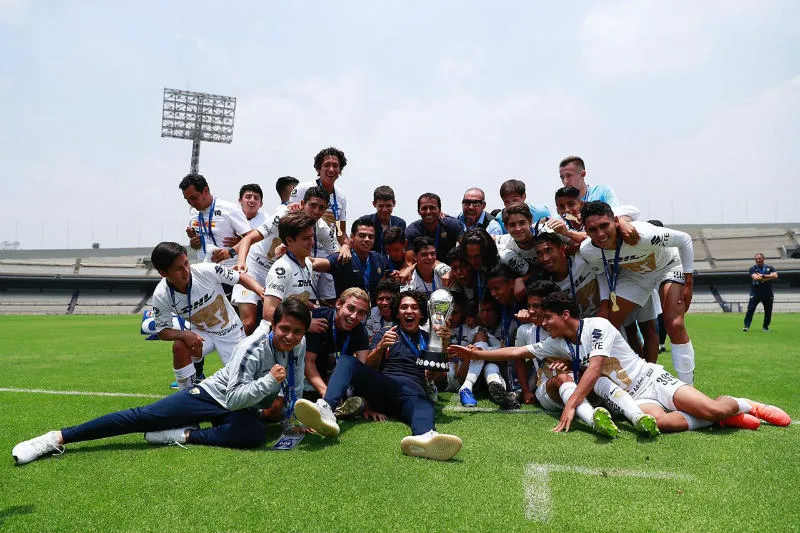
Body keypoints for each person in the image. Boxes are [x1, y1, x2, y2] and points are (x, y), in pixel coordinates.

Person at [12, 299, 311, 465]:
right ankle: (56, 438)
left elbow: (295, 384)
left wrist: (290, 421)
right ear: (274, 325)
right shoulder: (253, 347)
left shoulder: (298, 344)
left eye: (297, 332)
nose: (291, 337)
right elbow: (233, 397)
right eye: (285, 329)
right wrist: (270, 384)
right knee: (143, 417)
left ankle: (181, 436)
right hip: (214, 395)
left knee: (255, 435)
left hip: (240, 406)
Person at [449, 292, 791, 434]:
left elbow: (595, 366)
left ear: (565, 315)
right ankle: (726, 418)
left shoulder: (598, 326)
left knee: (709, 408)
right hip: (635, 397)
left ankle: (746, 405)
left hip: (652, 380)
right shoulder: (557, 340)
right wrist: (476, 354)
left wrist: (571, 405)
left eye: (548, 318)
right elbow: (516, 353)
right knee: (662, 425)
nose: (544, 324)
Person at [293, 290, 463, 461]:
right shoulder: (385, 332)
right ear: (397, 312)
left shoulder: (430, 338)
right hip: (384, 386)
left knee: (424, 405)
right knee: (346, 361)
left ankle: (425, 437)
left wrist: (442, 345)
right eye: (404, 307)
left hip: (412, 393)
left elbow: (433, 376)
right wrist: (381, 347)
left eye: (414, 308)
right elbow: (367, 367)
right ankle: (326, 408)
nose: (409, 311)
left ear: (421, 313)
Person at [578, 201, 697, 384]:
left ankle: (688, 386)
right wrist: (603, 302)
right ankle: (630, 380)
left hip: (668, 266)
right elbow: (601, 272)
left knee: (674, 322)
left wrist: (688, 281)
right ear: (586, 231)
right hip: (636, 277)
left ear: (616, 221)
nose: (600, 234)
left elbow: (685, 239)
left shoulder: (643, 234)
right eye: (593, 229)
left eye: (604, 225)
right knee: (607, 326)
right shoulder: (588, 250)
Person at [149, 242, 265, 390]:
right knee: (180, 345)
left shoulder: (206, 270)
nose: (186, 271)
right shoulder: (161, 295)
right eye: (178, 268)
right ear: (163, 273)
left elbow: (240, 277)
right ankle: (187, 395)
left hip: (231, 332)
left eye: (186, 263)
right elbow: (162, 331)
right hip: (203, 335)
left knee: (243, 384)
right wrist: (184, 335)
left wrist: (261, 291)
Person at [225, 187, 337, 334]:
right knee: (249, 323)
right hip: (255, 268)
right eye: (312, 205)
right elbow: (249, 238)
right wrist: (241, 263)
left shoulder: (322, 228)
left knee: (282, 322)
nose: (316, 211)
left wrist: (346, 247)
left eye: (321, 207)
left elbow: (337, 255)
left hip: (283, 270)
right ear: (303, 203)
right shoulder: (284, 215)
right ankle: (238, 352)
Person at [304, 288, 371, 401]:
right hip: (307, 376)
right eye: (351, 308)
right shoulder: (320, 319)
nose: (354, 316)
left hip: (333, 377)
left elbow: (360, 368)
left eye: (360, 313)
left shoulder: (360, 330)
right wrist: (326, 393)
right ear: (339, 304)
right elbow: (308, 363)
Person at [262, 213, 321, 326]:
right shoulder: (282, 269)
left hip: (297, 331)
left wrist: (316, 308)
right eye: (306, 238)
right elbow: (269, 312)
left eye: (312, 236)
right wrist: (307, 325)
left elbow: (296, 296)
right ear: (289, 241)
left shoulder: (307, 263)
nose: (312, 242)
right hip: (281, 336)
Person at [180, 173, 250, 266]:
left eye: (194, 198)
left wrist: (237, 245)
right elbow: (199, 244)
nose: (191, 203)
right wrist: (194, 243)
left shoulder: (229, 208)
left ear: (205, 191)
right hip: (205, 272)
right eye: (187, 199)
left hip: (229, 271)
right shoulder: (194, 212)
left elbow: (251, 238)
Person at [312, 218, 388, 300]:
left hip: (373, 310)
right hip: (349, 310)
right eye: (362, 236)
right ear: (352, 237)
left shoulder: (378, 258)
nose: (367, 239)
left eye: (371, 236)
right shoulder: (344, 257)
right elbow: (315, 263)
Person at [290, 147, 348, 247]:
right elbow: (288, 222)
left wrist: (346, 246)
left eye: (335, 166)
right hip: (303, 250)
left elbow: (340, 231)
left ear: (340, 170)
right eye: (326, 165)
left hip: (327, 254)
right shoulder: (302, 189)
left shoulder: (340, 196)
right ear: (318, 168)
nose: (331, 169)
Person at [404, 193, 464, 263]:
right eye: (424, 208)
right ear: (418, 211)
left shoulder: (452, 225)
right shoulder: (412, 231)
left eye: (432, 208)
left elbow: (466, 250)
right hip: (424, 269)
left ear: (439, 210)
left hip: (450, 269)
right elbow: (409, 262)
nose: (428, 212)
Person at [355, 186, 406, 256]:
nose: (385, 210)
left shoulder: (400, 223)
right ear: (374, 204)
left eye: (388, 206)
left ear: (394, 203)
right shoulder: (364, 222)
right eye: (381, 206)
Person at [743, 253, 778, 332]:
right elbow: (755, 277)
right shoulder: (752, 268)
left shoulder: (770, 267)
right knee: (750, 309)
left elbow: (775, 276)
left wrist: (762, 275)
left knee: (768, 311)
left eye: (759, 258)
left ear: (763, 259)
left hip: (767, 293)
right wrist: (769, 277)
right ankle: (746, 326)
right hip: (756, 292)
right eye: (756, 259)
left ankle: (765, 327)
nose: (757, 260)